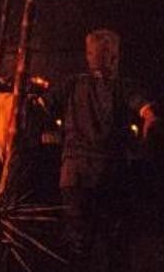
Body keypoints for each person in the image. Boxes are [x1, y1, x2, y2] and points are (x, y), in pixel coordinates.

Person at [42, 29, 156, 271]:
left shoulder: (71, 84)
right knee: (115, 245)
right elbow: (149, 114)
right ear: (114, 56)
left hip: (73, 175)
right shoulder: (123, 87)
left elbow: (40, 107)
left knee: (78, 246)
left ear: (88, 55)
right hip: (111, 175)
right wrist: (143, 143)